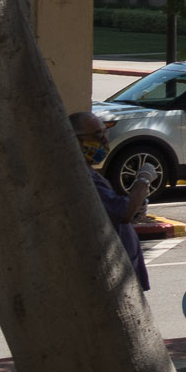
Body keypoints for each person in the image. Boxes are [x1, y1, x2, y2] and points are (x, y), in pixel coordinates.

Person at [72, 113, 150, 292]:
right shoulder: (84, 179)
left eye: (104, 135)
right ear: (75, 140)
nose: (104, 141)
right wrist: (144, 179)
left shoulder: (91, 174)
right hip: (115, 280)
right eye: (98, 136)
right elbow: (125, 211)